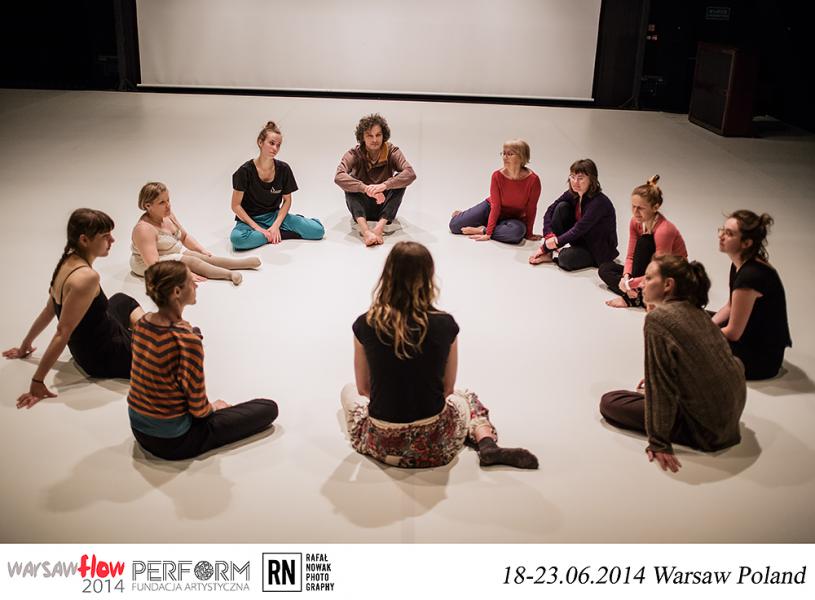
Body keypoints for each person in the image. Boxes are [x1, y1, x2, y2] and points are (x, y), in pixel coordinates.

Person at [342, 241, 538, 469]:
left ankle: (394, 447)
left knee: (348, 390)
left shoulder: (365, 323)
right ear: (428, 277)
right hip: (435, 446)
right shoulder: (445, 324)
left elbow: (363, 389)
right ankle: (486, 442)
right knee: (466, 397)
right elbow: (447, 389)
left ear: (387, 275)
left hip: (384, 445)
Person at [600, 256, 746, 473]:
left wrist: (659, 441)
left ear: (668, 285)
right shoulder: (696, 310)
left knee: (610, 401)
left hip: (706, 431)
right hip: (729, 419)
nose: (642, 283)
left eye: (649, 278)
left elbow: (660, 386)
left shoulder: (659, 319)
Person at [128, 260, 279, 460]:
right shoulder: (187, 342)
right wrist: (214, 408)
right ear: (177, 292)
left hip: (138, 428)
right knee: (268, 408)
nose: (196, 285)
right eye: (191, 281)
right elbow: (198, 408)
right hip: (174, 441)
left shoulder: (142, 323)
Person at [4, 209, 144, 408]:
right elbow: (62, 332)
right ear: (84, 240)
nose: (112, 240)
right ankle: (149, 337)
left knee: (122, 300)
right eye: (105, 236)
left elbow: (49, 311)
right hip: (106, 355)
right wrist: (37, 382)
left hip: (96, 337)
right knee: (172, 350)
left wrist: (24, 346)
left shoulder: (66, 261)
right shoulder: (86, 278)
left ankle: (146, 333)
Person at [712, 210, 791, 380]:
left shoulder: (750, 276)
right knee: (694, 318)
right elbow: (730, 306)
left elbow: (733, 333)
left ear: (746, 243)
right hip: (749, 336)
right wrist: (706, 325)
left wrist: (700, 334)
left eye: (729, 233)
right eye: (722, 230)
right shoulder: (740, 263)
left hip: (759, 359)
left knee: (691, 344)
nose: (721, 236)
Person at [132, 182, 261, 285]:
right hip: (149, 264)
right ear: (148, 206)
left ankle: (241, 263)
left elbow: (184, 237)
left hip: (168, 252)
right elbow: (154, 265)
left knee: (204, 257)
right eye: (162, 202)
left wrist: (201, 250)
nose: (168, 205)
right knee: (192, 261)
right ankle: (229, 275)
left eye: (168, 200)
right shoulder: (144, 229)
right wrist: (183, 274)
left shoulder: (168, 215)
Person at [230, 121, 325, 251]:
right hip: (249, 220)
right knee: (238, 240)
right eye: (271, 143)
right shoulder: (244, 171)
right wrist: (258, 228)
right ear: (260, 142)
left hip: (274, 217)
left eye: (278, 145)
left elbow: (287, 200)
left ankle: (274, 232)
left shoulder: (284, 169)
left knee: (318, 231)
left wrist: (276, 225)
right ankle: (277, 234)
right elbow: (235, 206)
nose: (275, 148)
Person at [598, 175, 687, 308]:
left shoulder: (664, 230)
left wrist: (630, 284)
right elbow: (630, 256)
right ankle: (639, 295)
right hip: (648, 272)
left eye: (641, 208)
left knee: (645, 242)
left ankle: (633, 298)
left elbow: (660, 272)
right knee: (605, 269)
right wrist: (626, 277)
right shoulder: (635, 222)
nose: (635, 212)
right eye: (633, 207)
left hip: (668, 277)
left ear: (655, 207)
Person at [334, 113, 416, 246]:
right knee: (350, 183)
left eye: (378, 135)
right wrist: (366, 188)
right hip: (362, 205)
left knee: (400, 181)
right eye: (369, 135)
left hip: (384, 204)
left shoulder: (392, 151)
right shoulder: (354, 153)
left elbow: (410, 173)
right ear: (362, 137)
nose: (374, 139)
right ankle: (366, 231)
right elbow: (339, 176)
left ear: (384, 136)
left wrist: (384, 185)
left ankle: (379, 228)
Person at [529, 158, 617, 271]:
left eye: (580, 178)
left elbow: (579, 229)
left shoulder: (598, 203)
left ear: (592, 180)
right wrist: (549, 236)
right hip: (581, 240)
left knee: (565, 259)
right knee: (561, 207)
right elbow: (550, 211)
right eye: (572, 177)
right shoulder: (573, 193)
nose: (575, 182)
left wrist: (546, 247)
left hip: (597, 249)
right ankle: (549, 253)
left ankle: (557, 251)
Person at [449, 139, 542, 244]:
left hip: (513, 218)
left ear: (521, 157)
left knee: (516, 234)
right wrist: (489, 233)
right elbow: (496, 206)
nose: (505, 157)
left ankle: (482, 228)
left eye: (510, 154)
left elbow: (531, 208)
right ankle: (466, 216)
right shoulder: (497, 176)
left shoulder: (533, 180)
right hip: (491, 208)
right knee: (454, 225)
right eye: (504, 153)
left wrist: (529, 234)